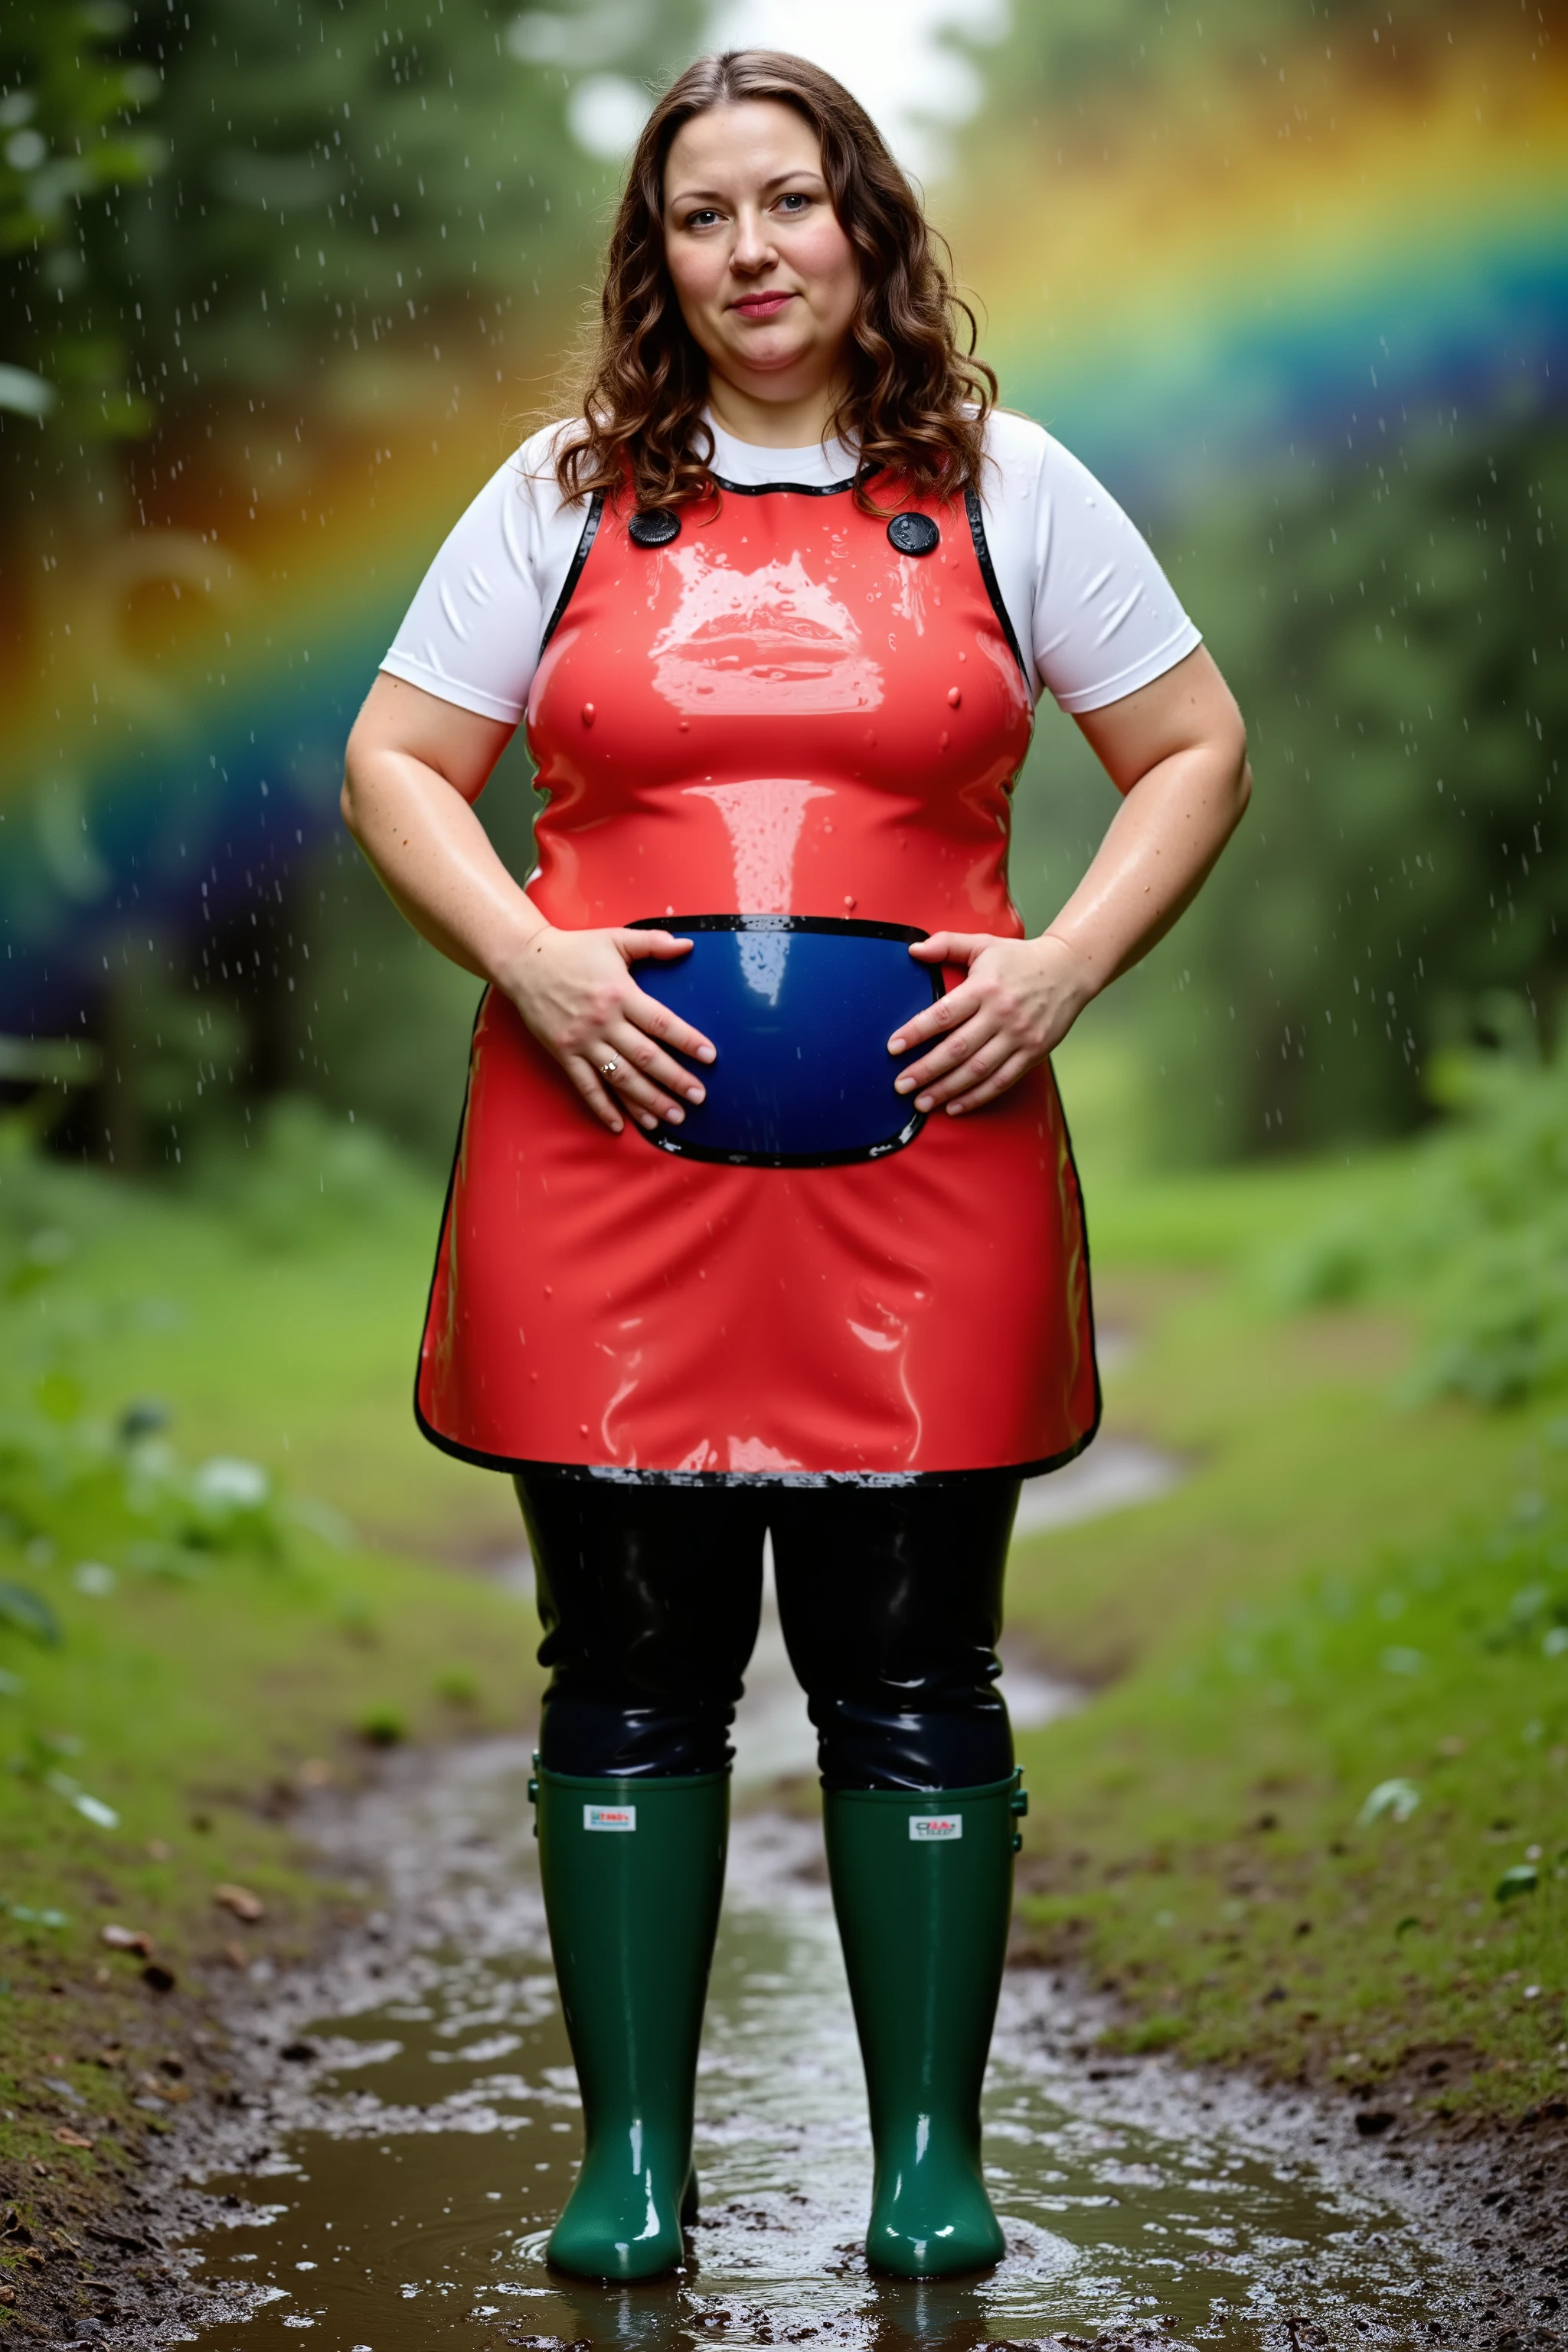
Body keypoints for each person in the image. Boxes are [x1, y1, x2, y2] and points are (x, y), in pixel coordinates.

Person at [341, 47, 1250, 2288]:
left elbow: (1195, 748)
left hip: (935, 1166)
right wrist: (536, 960)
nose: (751, 251)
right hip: (599, 1165)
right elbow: (397, 760)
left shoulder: (1011, 486)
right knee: (628, 1665)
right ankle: (630, 2168)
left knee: (915, 1662)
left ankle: (929, 2163)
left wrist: (1060, 972)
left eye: (790, 202)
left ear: (866, 223)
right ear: (655, 257)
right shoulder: (558, 492)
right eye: (699, 214)